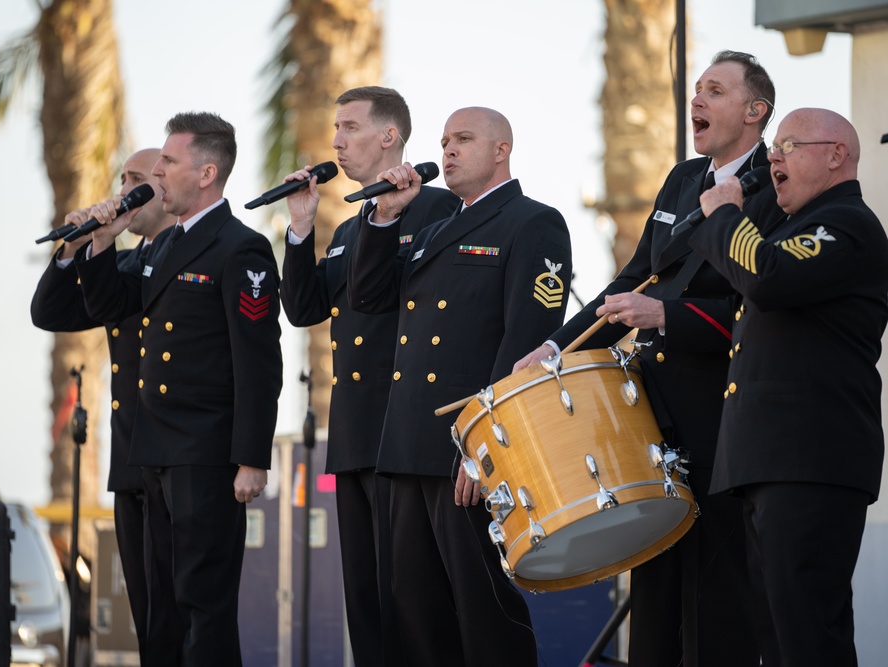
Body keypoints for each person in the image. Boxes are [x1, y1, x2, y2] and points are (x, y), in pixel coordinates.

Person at [515, 50, 781, 666]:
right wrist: (558, 347)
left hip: (724, 409)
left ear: (754, 110)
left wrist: (669, 316)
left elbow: (759, 300)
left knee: (721, 585)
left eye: (715, 91)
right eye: (697, 91)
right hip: (649, 413)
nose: (698, 102)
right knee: (655, 573)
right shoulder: (683, 178)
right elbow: (634, 280)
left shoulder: (776, 184)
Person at [348, 106, 572, 666]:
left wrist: (484, 448)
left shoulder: (532, 222)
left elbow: (527, 342)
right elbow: (370, 298)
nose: (447, 149)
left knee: (484, 613)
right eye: (444, 140)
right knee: (416, 617)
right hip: (406, 445)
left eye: (464, 139)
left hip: (469, 451)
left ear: (502, 150)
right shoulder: (431, 230)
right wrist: (384, 217)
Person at [73, 112, 282, 666]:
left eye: (168, 162)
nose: (156, 174)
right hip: (156, 453)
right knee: (162, 611)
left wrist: (251, 458)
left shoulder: (241, 248)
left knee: (203, 607)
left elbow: (258, 362)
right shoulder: (163, 247)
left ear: (206, 172)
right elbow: (112, 307)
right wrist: (101, 243)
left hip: (207, 456)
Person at [690, 107, 888, 667]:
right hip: (769, 462)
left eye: (789, 145)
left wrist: (724, 217)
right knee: (776, 639)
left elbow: (767, 277)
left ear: (836, 155)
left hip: (810, 459)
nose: (773, 156)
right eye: (774, 147)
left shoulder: (845, 223)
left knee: (807, 637)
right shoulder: (790, 226)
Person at [280, 86, 459, 666]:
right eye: (335, 129)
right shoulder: (352, 227)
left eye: (349, 128)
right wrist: (302, 228)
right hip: (356, 432)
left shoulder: (436, 210)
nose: (336, 142)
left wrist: (389, 218)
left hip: (404, 431)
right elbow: (304, 310)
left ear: (390, 136)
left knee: (413, 597)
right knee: (365, 596)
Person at [30, 148, 174, 665]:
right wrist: (75, 249)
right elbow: (50, 312)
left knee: (181, 613)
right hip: (131, 458)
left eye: (137, 180)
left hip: (180, 460)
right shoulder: (124, 260)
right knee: (147, 615)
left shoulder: (183, 257)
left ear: (167, 185)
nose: (124, 191)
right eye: (123, 180)